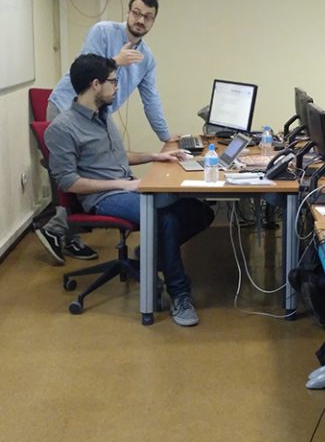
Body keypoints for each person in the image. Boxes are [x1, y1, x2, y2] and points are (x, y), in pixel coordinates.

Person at [44, 54, 214, 326]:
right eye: (113, 81)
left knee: (200, 211)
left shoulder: (103, 115)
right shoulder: (62, 128)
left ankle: (152, 254)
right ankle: (179, 293)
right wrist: (124, 184)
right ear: (96, 85)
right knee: (165, 219)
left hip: (127, 187)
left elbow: (118, 155)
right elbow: (69, 182)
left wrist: (156, 156)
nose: (117, 87)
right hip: (102, 197)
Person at [36, 0, 178, 264]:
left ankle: (63, 231)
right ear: (128, 12)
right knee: (72, 175)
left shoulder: (147, 58)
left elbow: (151, 99)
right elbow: (84, 71)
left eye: (148, 17)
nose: (141, 20)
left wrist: (166, 137)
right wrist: (116, 62)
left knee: (101, 163)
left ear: (153, 22)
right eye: (137, 13)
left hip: (99, 113)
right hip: (67, 106)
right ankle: (63, 232)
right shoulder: (103, 31)